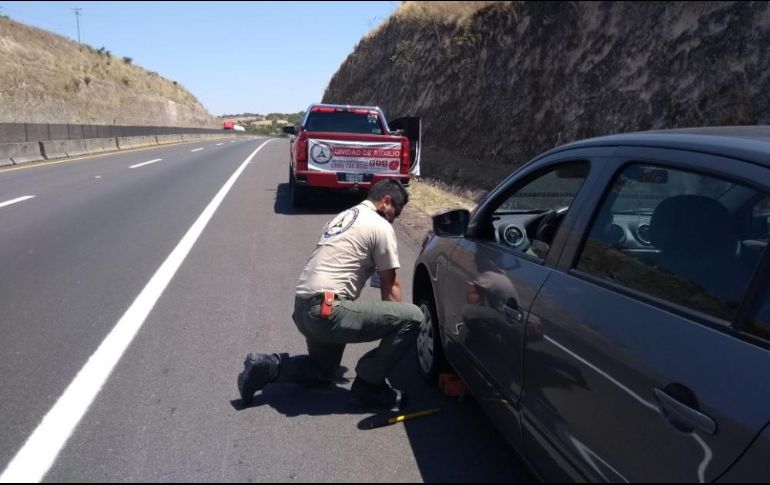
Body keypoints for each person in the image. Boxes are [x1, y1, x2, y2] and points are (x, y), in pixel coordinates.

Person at [238, 179, 424, 410]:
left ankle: (266, 367)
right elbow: (391, 284)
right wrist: (392, 334)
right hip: (327, 310)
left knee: (323, 371)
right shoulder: (380, 224)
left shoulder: (343, 217)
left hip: (304, 307)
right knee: (413, 317)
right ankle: (368, 388)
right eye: (396, 212)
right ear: (386, 201)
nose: (394, 219)